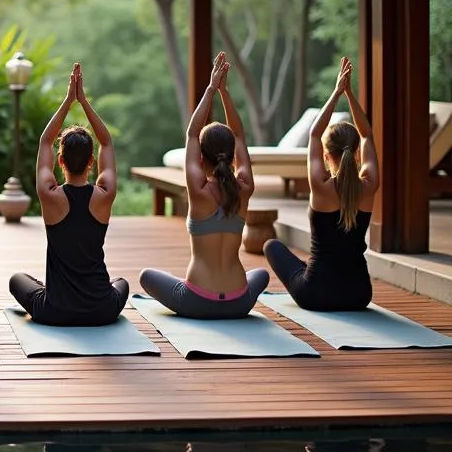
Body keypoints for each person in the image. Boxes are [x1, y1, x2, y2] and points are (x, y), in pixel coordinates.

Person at [139, 51, 269, 318]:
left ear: (201, 157)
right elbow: (240, 135)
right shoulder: (245, 188)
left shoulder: (199, 191)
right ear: (232, 156)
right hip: (238, 302)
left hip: (197, 301)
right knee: (261, 274)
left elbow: (192, 133)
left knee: (147, 276)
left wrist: (211, 88)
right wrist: (225, 92)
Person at [10, 63, 128, 325]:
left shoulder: (49, 194)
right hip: (101, 310)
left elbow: (44, 141)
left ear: (60, 161)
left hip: (55, 310)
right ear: (91, 163)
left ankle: (51, 289)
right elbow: (107, 141)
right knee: (121, 283)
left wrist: (68, 101)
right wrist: (83, 102)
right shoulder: (105, 193)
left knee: (17, 280)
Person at [263, 57, 378, 311]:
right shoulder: (369, 184)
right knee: (311, 264)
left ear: (327, 156)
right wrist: (349, 94)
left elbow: (315, 133)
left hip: (316, 294)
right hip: (359, 294)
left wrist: (338, 92)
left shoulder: (321, 186)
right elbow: (367, 134)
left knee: (272, 246)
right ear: (357, 154)